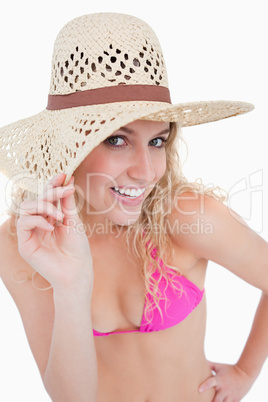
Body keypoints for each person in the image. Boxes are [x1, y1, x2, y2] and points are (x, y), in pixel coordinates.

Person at [0, 12, 267, 402]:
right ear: (71, 146)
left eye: (157, 141)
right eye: (117, 140)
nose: (145, 172)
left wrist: (246, 371)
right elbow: (71, 397)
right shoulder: (24, 242)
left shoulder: (187, 216)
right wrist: (71, 285)